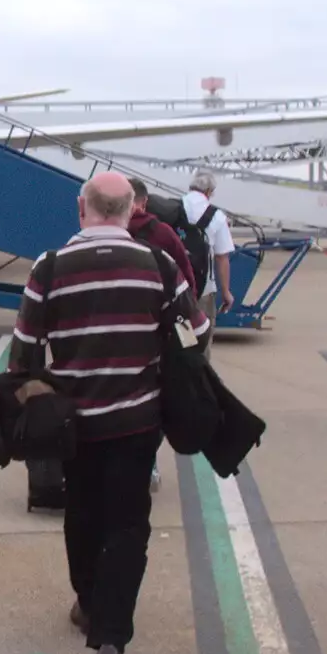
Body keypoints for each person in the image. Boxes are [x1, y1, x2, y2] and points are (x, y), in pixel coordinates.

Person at [9, 170, 208, 654]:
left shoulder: (47, 269)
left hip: (75, 426)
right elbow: (197, 333)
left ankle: (89, 602)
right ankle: (112, 643)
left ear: (82, 208)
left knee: (81, 514)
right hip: (136, 423)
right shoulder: (160, 266)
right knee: (128, 527)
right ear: (130, 212)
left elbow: (23, 352)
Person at [126, 176, 196, 495]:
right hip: (157, 333)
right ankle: (147, 460)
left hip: (114, 335)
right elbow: (187, 283)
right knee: (155, 398)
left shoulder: (102, 233)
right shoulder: (163, 234)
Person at [181, 171, 235, 358]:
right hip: (204, 291)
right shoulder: (217, 216)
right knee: (202, 343)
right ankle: (202, 379)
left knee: (185, 340)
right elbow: (222, 257)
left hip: (179, 291)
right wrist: (226, 292)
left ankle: (183, 378)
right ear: (209, 191)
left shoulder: (175, 208)